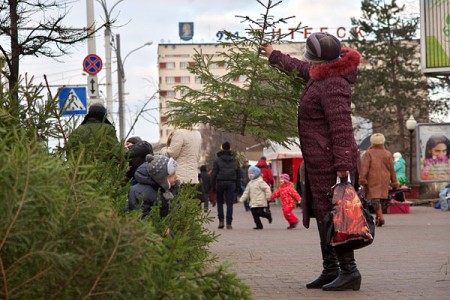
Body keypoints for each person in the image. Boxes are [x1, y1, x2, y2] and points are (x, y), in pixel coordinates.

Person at [260, 32, 362, 291]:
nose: (310, 63)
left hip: (332, 163)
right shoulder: (321, 74)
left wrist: (342, 167)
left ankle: (349, 272)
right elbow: (300, 67)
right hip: (319, 163)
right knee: (322, 214)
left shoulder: (334, 84)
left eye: (312, 59)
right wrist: (273, 54)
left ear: (321, 60)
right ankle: (330, 269)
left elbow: (341, 128)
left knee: (336, 215)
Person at [358, 133, 399, 227]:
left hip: (372, 179)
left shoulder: (369, 153)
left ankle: (380, 217)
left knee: (374, 199)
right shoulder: (387, 153)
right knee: (380, 198)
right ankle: (379, 216)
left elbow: (365, 167)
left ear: (372, 141)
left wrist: (363, 179)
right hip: (384, 179)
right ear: (383, 141)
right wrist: (394, 182)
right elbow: (392, 169)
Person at [126, 154, 179, 219]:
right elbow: (140, 219)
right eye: (172, 175)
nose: (176, 177)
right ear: (161, 178)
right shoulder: (140, 193)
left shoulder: (170, 188)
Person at [211, 141, 241, 229]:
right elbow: (238, 174)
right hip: (231, 183)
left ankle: (221, 221)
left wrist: (213, 186)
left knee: (220, 202)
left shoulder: (217, 160)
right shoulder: (235, 160)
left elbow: (214, 174)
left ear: (222, 148)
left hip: (220, 182)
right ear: (230, 148)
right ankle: (229, 223)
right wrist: (238, 186)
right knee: (229, 203)